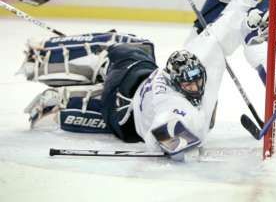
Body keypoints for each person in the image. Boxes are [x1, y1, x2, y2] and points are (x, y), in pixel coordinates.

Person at [22, 30, 224, 159]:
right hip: (122, 117)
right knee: (112, 116)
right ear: (175, 81)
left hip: (130, 76)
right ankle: (60, 103)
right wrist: (185, 147)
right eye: (188, 82)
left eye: (198, 79)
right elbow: (163, 132)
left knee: (133, 45)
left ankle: (44, 55)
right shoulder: (170, 104)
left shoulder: (170, 76)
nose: (195, 86)